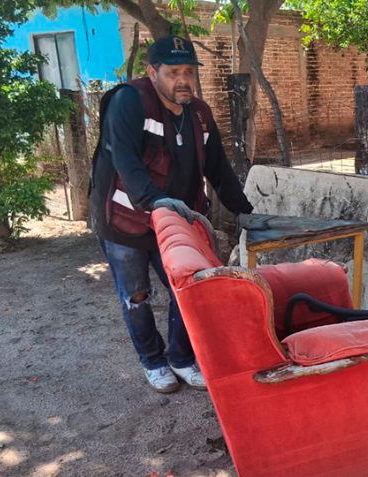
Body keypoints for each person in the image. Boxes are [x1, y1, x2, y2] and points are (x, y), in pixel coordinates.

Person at [88, 36, 253, 393]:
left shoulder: (199, 114)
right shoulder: (129, 102)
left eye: (189, 72)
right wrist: (152, 200)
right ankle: (153, 360)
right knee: (136, 296)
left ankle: (180, 356)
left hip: (175, 224)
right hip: (124, 222)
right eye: (173, 72)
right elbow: (124, 158)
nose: (183, 80)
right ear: (152, 72)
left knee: (189, 290)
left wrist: (244, 210)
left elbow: (218, 168)